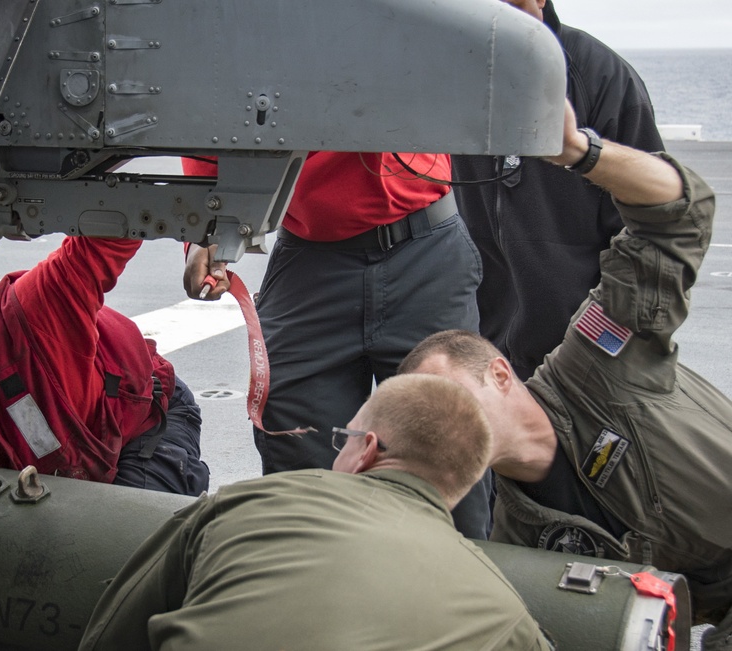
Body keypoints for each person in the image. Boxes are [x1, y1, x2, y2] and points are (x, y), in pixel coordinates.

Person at [399, 101, 731, 650]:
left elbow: (679, 213)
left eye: (450, 396)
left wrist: (580, 151)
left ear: (501, 374)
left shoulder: (600, 361)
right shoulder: (522, 537)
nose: (444, 424)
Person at [78, 374, 552, 651]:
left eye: (341, 438)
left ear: (366, 451)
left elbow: (113, 633)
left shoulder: (248, 502)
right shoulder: (504, 609)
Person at [182, 151, 492, 539]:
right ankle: (319, 587)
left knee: (449, 446)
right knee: (298, 460)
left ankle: (459, 591)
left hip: (423, 250)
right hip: (311, 260)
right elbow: (212, 129)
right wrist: (205, 236)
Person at [0, 235, 209, 496]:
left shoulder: (32, 315)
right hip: (62, 466)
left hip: (141, 420)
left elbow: (116, 229)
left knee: (129, 552)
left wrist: (200, 242)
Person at [451, 0, 665, 380]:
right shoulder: (445, 77)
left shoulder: (601, 76)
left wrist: (598, 344)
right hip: (486, 362)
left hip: (586, 359)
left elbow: (650, 229)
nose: (500, 14)